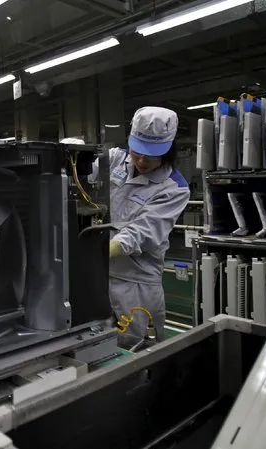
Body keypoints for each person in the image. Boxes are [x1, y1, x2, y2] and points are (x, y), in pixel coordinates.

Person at [91, 106, 190, 340]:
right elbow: (82, 173)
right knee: (95, 342)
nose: (142, 160)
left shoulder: (174, 187)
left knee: (136, 347)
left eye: (152, 154)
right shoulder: (115, 159)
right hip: (100, 274)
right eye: (137, 152)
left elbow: (145, 229)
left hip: (136, 282)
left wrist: (112, 247)